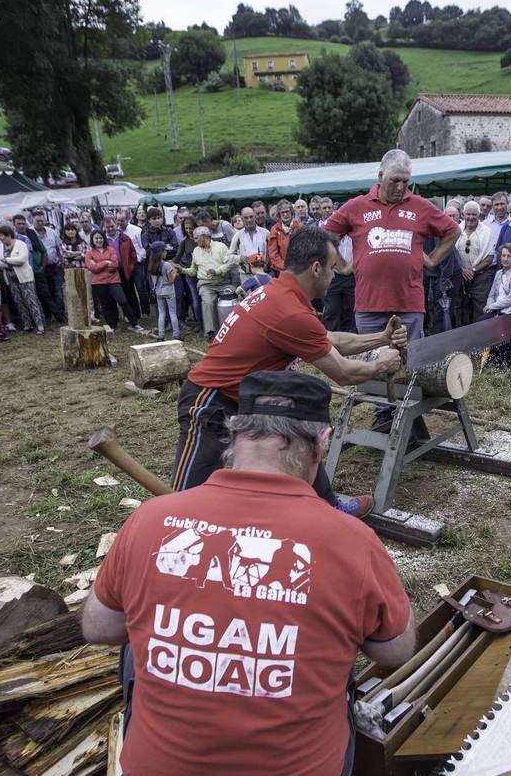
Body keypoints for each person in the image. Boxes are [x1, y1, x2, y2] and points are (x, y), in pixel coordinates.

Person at [83, 369, 414, 776]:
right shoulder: (352, 541)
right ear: (321, 444)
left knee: (134, 645)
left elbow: (98, 627)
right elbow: (394, 652)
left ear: (234, 433)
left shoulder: (151, 520)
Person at [171, 228, 406, 517]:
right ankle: (170, 531)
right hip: (210, 401)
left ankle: (329, 507)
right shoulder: (288, 311)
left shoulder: (281, 294)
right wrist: (381, 364)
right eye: (333, 269)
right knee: (186, 495)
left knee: (300, 428)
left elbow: (328, 339)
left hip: (246, 397)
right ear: (316, 268)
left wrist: (381, 338)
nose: (334, 277)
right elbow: (344, 373)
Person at [321, 149, 460, 426]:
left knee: (411, 361)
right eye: (395, 180)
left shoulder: (420, 206)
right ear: (380, 176)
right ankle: (382, 416)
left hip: (409, 302)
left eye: (406, 182)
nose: (400, 187)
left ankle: (409, 417)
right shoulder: (356, 206)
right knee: (376, 361)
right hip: (369, 303)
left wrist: (432, 259)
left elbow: (453, 231)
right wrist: (342, 265)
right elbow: (326, 233)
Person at [85, 229, 144, 332]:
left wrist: (99, 265)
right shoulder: (89, 253)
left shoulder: (111, 250)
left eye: (100, 238)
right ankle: (112, 325)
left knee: (123, 301)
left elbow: (114, 265)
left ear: (104, 239)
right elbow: (91, 268)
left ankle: (134, 323)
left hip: (113, 280)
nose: (99, 240)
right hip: (99, 283)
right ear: (92, 240)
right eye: (96, 238)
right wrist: (106, 262)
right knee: (106, 304)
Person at [186, 226, 234, 340]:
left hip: (223, 282)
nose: (195, 240)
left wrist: (216, 271)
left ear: (204, 237)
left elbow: (229, 263)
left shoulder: (221, 247)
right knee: (208, 302)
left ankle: (231, 329)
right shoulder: (196, 251)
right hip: (206, 284)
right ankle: (211, 333)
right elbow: (193, 270)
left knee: (232, 296)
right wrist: (182, 270)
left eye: (196, 238)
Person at [0, 224, 45, 334]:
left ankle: (40, 325)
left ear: (8, 235)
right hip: (10, 278)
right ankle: (27, 324)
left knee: (31, 301)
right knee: (19, 301)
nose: (0, 238)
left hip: (25, 278)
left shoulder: (21, 244)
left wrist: (6, 260)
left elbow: (22, 259)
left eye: (2, 235)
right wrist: (10, 261)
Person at [457, 200, 496, 324]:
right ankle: (461, 337)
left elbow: (489, 257)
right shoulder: (457, 229)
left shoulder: (487, 231)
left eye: (474, 214)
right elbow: (451, 254)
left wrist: (473, 270)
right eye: (468, 214)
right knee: (460, 308)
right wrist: (462, 270)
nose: (470, 217)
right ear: (463, 214)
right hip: (460, 276)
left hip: (480, 277)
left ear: (479, 216)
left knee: (480, 308)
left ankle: (479, 338)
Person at [31, 212, 67, 324]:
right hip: (40, 268)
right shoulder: (30, 233)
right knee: (44, 293)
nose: (41, 223)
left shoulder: (51, 232)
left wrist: (61, 261)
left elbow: (59, 247)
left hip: (54, 266)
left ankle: (61, 315)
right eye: (38, 221)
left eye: (42, 221)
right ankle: (48, 315)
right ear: (33, 220)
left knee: (57, 291)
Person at [267, 200, 303, 274]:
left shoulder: (300, 227)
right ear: (279, 214)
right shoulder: (275, 229)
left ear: (292, 212)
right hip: (281, 270)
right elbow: (273, 253)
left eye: (287, 211)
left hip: (299, 268)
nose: (285, 214)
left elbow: (305, 248)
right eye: (282, 212)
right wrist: (284, 266)